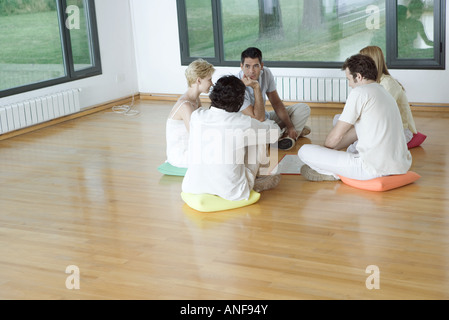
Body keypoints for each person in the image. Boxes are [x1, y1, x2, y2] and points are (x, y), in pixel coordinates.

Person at [298, 54, 412, 182]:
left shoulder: (359, 92)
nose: (349, 85)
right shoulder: (384, 93)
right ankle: (331, 169)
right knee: (334, 152)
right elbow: (354, 134)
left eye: (349, 79)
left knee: (304, 151)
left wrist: (324, 151)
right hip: (401, 166)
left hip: (371, 169)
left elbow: (336, 137)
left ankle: (331, 173)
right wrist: (330, 151)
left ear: (358, 76)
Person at [182, 75, 281, 201]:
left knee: (244, 137)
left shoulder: (197, 116)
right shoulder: (242, 122)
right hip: (233, 191)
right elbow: (274, 134)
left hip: (192, 186)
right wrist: (267, 123)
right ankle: (259, 179)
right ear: (239, 101)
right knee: (259, 136)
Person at [238, 47, 311, 151]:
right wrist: (256, 87)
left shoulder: (266, 73)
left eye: (255, 66)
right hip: (252, 124)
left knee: (303, 109)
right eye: (247, 66)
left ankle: (286, 134)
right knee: (268, 128)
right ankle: (288, 136)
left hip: (265, 117)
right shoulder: (236, 84)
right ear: (241, 66)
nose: (251, 71)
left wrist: (290, 126)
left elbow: (276, 103)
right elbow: (257, 119)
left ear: (261, 66)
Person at [360, 45, 417, 144]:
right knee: (338, 119)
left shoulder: (387, 83)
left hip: (400, 131)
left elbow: (378, 113)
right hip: (381, 126)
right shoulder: (372, 82)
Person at [165, 59, 215, 168]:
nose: (212, 83)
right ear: (198, 80)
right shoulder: (185, 105)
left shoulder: (195, 99)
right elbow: (196, 136)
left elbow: (203, 124)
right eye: (209, 79)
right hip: (181, 155)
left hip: (191, 148)